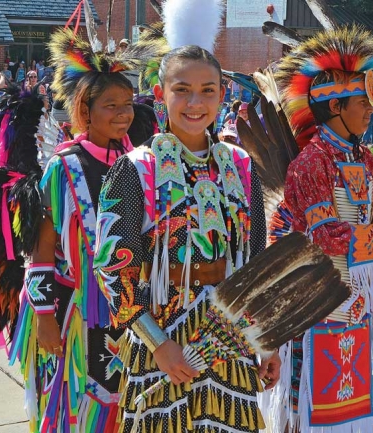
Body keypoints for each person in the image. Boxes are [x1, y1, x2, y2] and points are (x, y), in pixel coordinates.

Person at [94, 42, 280, 432]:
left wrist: (266, 339)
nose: (195, 101)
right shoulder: (135, 170)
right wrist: (159, 345)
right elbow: (113, 269)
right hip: (162, 334)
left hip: (229, 333)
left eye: (208, 90)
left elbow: (257, 259)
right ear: (161, 94)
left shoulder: (242, 166)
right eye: (182, 89)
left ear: (222, 94)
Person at [272, 26, 373, 433]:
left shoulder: (365, 160)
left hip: (357, 301)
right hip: (316, 299)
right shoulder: (312, 163)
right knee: (310, 405)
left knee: (350, 406)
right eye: (363, 102)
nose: (370, 110)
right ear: (336, 108)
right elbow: (328, 237)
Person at [6, 28, 139, 432]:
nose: (122, 113)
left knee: (126, 404)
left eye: (128, 104)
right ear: (85, 109)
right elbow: (42, 248)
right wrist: (45, 317)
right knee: (82, 406)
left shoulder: (140, 161)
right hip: (77, 311)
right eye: (110, 105)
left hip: (129, 309)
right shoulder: (65, 167)